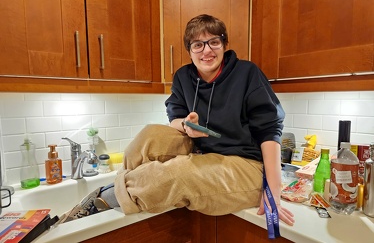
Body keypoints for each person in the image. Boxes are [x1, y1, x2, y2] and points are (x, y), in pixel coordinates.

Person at [57, 14, 295, 227]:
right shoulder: (184, 76)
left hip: (247, 164)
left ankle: (103, 199)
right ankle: (122, 191)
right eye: (198, 45)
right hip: (204, 152)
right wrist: (185, 126)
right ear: (189, 49)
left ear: (224, 45)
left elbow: (269, 130)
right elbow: (174, 116)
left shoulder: (247, 73)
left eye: (214, 42)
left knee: (177, 173)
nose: (207, 51)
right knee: (150, 136)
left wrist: (274, 188)